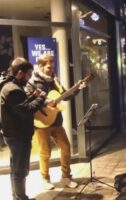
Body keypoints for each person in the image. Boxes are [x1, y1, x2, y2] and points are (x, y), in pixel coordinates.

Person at [25, 54, 85, 190]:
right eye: (48, 67)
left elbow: (65, 95)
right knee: (45, 152)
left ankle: (66, 177)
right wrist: (46, 102)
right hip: (42, 122)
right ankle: (45, 178)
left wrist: (77, 89)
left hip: (56, 121)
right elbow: (28, 98)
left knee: (66, 147)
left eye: (52, 66)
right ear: (40, 66)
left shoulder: (54, 80)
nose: (51, 69)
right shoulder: (32, 81)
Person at [0, 57, 46, 200]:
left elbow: (19, 105)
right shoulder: (13, 89)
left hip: (13, 133)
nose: (30, 78)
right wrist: (41, 98)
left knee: (16, 168)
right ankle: (21, 198)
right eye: (29, 75)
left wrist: (33, 96)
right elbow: (26, 110)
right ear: (20, 73)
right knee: (21, 170)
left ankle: (18, 196)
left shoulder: (9, 85)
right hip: (18, 135)